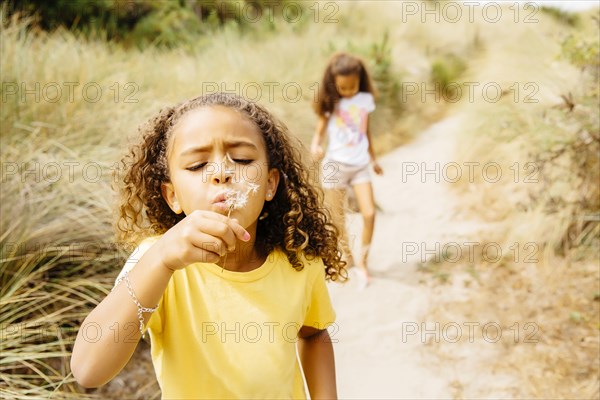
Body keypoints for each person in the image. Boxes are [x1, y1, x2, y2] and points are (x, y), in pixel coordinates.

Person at [70, 92, 346, 399]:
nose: (220, 173)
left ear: (270, 184)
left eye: (241, 159)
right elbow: (88, 369)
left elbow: (314, 333)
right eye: (198, 165)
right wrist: (160, 260)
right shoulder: (158, 262)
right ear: (171, 195)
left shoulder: (299, 261)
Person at [311, 52, 383, 287]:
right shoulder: (331, 102)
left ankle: (363, 259)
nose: (348, 92)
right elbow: (319, 133)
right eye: (343, 88)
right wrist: (315, 147)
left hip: (360, 164)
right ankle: (349, 257)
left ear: (359, 81)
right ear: (334, 84)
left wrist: (373, 159)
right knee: (336, 218)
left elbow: (367, 131)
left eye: (353, 86)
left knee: (369, 213)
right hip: (335, 165)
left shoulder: (364, 100)